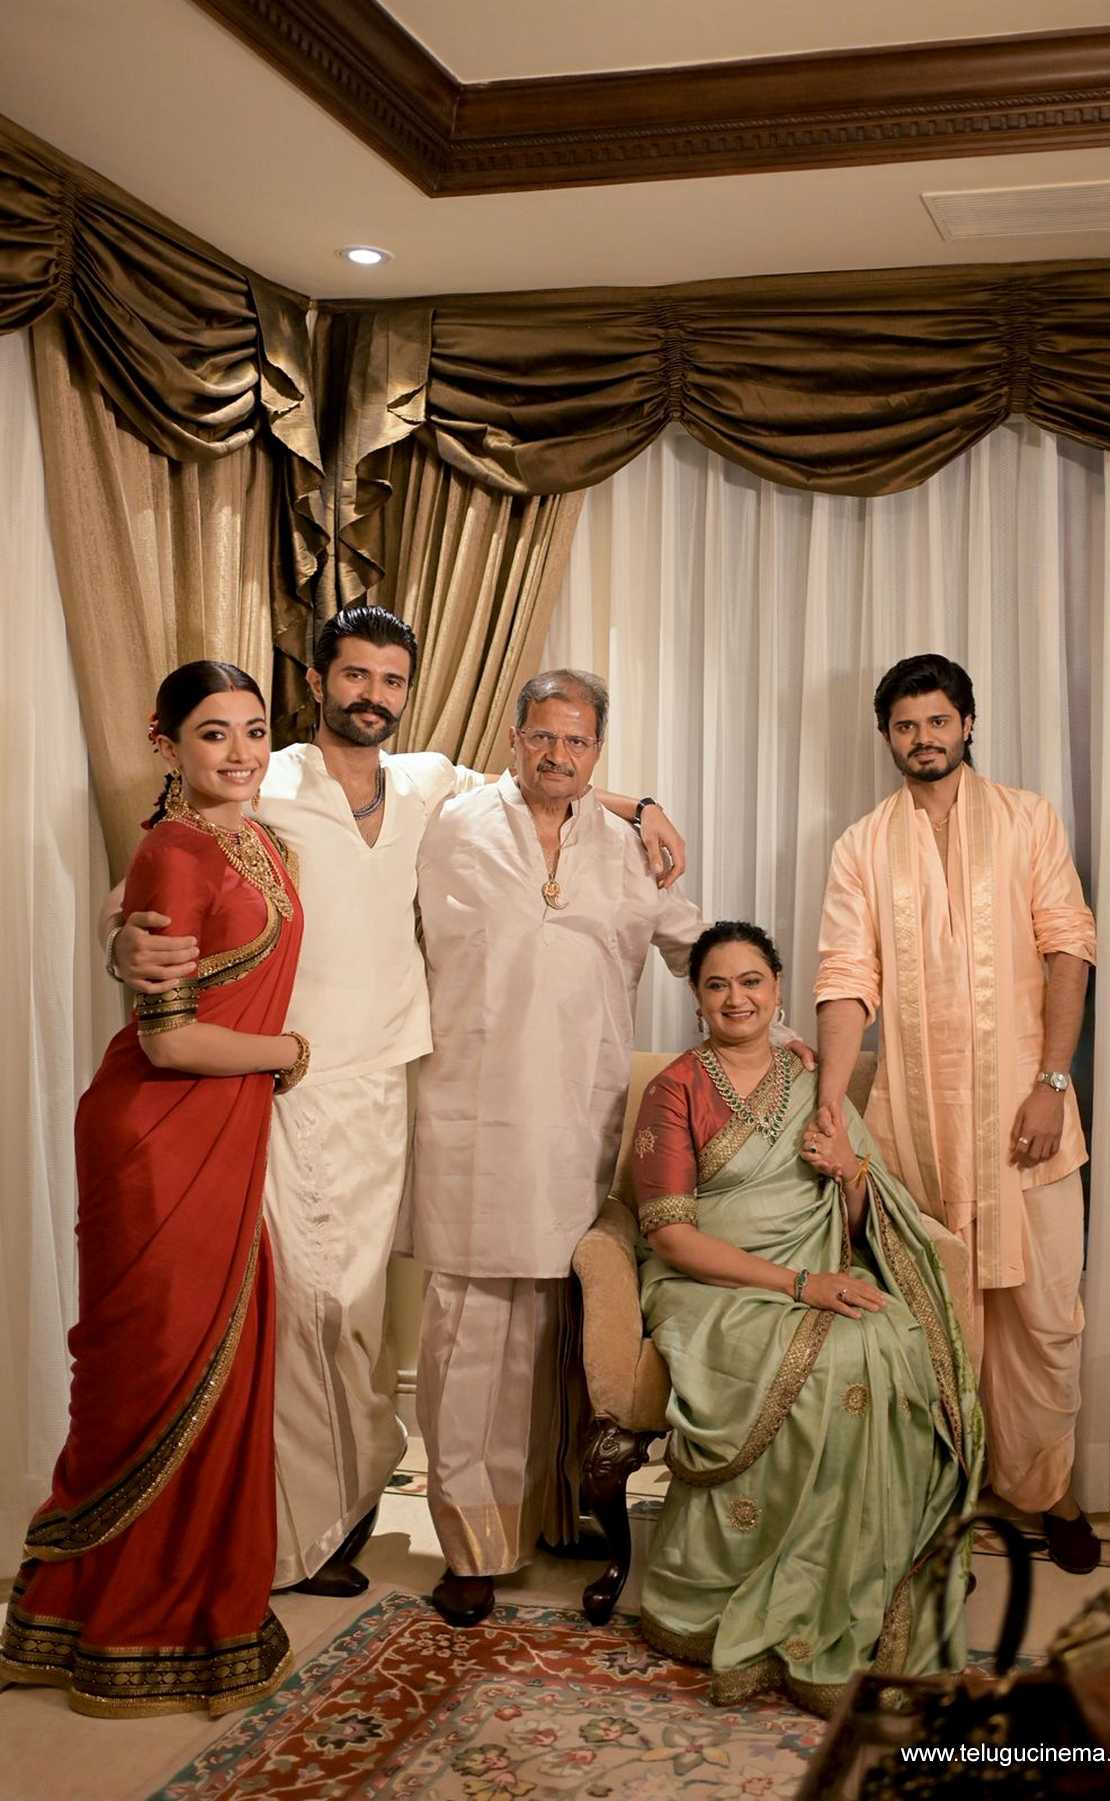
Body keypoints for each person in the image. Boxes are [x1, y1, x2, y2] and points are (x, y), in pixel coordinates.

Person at [107, 611, 687, 1598]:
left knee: (363, 1317)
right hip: (288, 1079)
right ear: (318, 681)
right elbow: (166, 863)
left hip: (393, 1082)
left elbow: (546, 773)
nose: (371, 694)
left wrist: (645, 805)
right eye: (354, 675)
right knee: (312, 1307)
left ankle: (344, 1507)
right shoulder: (270, 777)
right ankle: (300, 1531)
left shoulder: (428, 785)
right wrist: (124, 942)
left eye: (390, 679)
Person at [413, 671, 810, 1629]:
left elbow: (694, 946)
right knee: (470, 1338)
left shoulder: (627, 850)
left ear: (599, 749)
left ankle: (549, 1520)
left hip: (576, 1123)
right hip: (473, 1117)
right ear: (513, 737)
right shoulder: (448, 821)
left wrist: (778, 1029)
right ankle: (470, 1550)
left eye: (578, 740)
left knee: (558, 1336)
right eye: (542, 736)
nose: (558, 755)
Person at [1, 663, 306, 1716]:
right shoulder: (173, 847)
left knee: (223, 1363)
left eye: (256, 730)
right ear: (166, 743)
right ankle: (110, 1620)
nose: (242, 752)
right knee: (151, 1369)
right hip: (156, 1137)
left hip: (224, 1134)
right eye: (214, 733)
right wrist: (293, 1051)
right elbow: (168, 1040)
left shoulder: (265, 840)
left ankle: (200, 1620)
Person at [633, 921, 982, 1712]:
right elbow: (671, 1236)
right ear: (696, 998)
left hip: (813, 1270)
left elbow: (860, 1220)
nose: (737, 998)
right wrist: (800, 1284)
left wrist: (848, 1170)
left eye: (751, 980)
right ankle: (746, 1586)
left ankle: (848, 1585)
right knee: (829, 1356)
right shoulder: (674, 1089)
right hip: (711, 1284)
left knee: (889, 1339)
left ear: (777, 988)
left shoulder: (815, 1082)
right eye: (717, 984)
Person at [813, 652, 1099, 1573]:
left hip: (1027, 1120)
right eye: (905, 725)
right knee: (932, 1323)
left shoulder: (1027, 818)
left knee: (1045, 1319)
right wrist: (830, 1106)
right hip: (917, 1129)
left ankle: (1050, 1490)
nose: (923, 738)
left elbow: (1069, 949)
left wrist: (1052, 1081)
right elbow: (846, 978)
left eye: (938, 720)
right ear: (887, 736)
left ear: (967, 724)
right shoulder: (862, 844)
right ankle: (942, 1505)